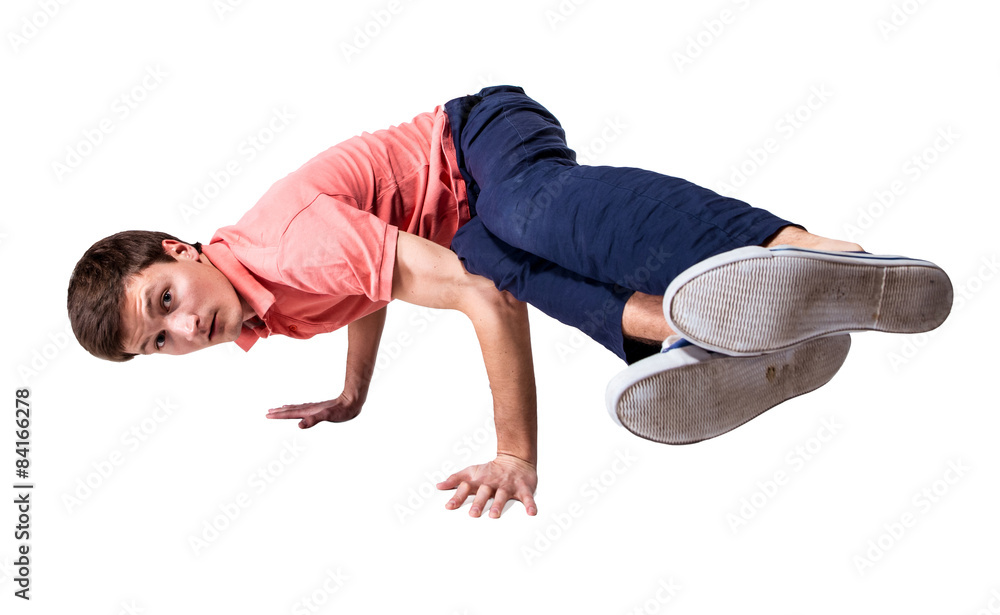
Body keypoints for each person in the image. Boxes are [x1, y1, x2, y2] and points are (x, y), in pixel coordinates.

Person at [67, 86, 952, 519]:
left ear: (179, 250)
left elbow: (473, 300)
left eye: (166, 298)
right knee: (511, 254)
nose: (188, 327)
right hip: (462, 223)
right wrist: (355, 391)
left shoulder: (282, 241)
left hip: (480, 136)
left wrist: (514, 453)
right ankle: (730, 333)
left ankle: (806, 255)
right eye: (161, 341)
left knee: (525, 221)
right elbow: (365, 286)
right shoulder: (258, 303)